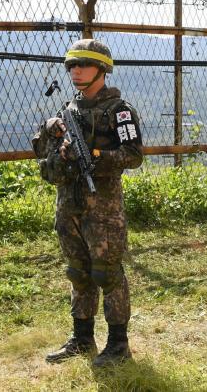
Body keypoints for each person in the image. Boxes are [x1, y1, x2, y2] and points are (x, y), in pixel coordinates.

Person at [32, 38, 143, 367]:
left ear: (102, 70)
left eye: (84, 65)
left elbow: (133, 156)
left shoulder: (118, 112)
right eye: (72, 66)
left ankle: (118, 345)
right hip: (69, 204)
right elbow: (39, 148)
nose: (76, 71)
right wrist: (50, 129)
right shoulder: (68, 109)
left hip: (102, 207)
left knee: (107, 274)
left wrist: (95, 155)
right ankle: (82, 338)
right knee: (78, 272)